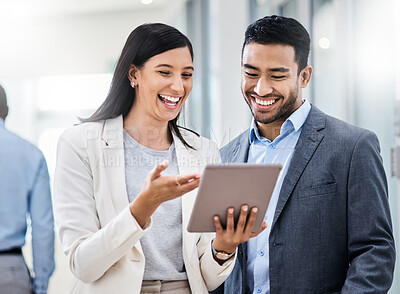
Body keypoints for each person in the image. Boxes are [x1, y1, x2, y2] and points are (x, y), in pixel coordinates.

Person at [53, 23, 264, 294]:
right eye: (164, 72)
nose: (178, 86)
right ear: (134, 74)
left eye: (187, 74)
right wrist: (142, 208)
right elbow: (83, 265)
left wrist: (224, 247)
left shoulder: (204, 151)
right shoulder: (80, 144)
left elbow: (207, 279)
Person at [212, 15, 395, 294]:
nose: (261, 88)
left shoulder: (353, 147)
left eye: (277, 75)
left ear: (304, 76)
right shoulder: (224, 157)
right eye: (251, 73)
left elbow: (374, 253)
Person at [0, 85, 55, 294]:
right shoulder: (31, 154)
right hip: (10, 274)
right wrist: (40, 286)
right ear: (6, 110)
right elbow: (43, 227)